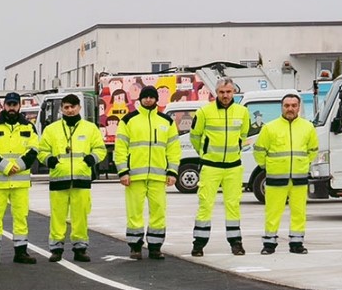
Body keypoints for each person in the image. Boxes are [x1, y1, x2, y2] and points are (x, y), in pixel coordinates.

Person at [37, 94, 106, 262]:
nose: (70, 110)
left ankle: (80, 248)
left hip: (81, 180)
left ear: (79, 108)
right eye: (66, 107)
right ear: (61, 109)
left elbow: (100, 149)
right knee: (57, 216)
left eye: (73, 106)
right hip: (59, 179)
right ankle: (56, 248)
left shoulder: (90, 128)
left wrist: (92, 159)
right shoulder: (51, 129)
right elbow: (41, 151)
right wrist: (50, 160)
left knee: (80, 216)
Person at [114, 85, 180, 260]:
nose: (149, 100)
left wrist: (172, 172)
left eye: (152, 97)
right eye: (146, 97)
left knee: (158, 211)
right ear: (140, 99)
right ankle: (135, 247)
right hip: (135, 176)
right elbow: (120, 148)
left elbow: (173, 149)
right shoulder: (128, 120)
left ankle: (155, 247)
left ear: (156, 99)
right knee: (134, 212)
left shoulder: (167, 121)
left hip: (159, 177)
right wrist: (123, 172)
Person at [189, 78, 251, 257]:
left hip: (233, 167)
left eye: (229, 92)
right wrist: (204, 152)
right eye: (222, 92)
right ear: (216, 92)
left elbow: (244, 134)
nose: (225, 95)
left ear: (234, 92)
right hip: (210, 166)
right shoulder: (204, 112)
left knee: (233, 205)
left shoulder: (242, 112)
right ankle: (199, 244)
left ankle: (236, 243)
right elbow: (195, 135)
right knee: (205, 205)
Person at [254, 94, 318, 254]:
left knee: (299, 212)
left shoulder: (308, 127)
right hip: (276, 177)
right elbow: (259, 150)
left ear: (299, 107)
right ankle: (269, 244)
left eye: (294, 105)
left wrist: (302, 165)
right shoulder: (270, 127)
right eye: (287, 105)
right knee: (272, 212)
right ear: (282, 107)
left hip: (299, 178)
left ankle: (296, 243)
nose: (290, 108)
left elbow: (313, 150)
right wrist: (267, 166)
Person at [0, 92, 40, 264]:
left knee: (21, 217)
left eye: (15, 105)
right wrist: (6, 167)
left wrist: (18, 166)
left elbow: (33, 151)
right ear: (4, 105)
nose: (12, 108)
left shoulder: (29, 127)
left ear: (19, 106)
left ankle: (21, 252)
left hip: (20, 183)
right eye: (9, 104)